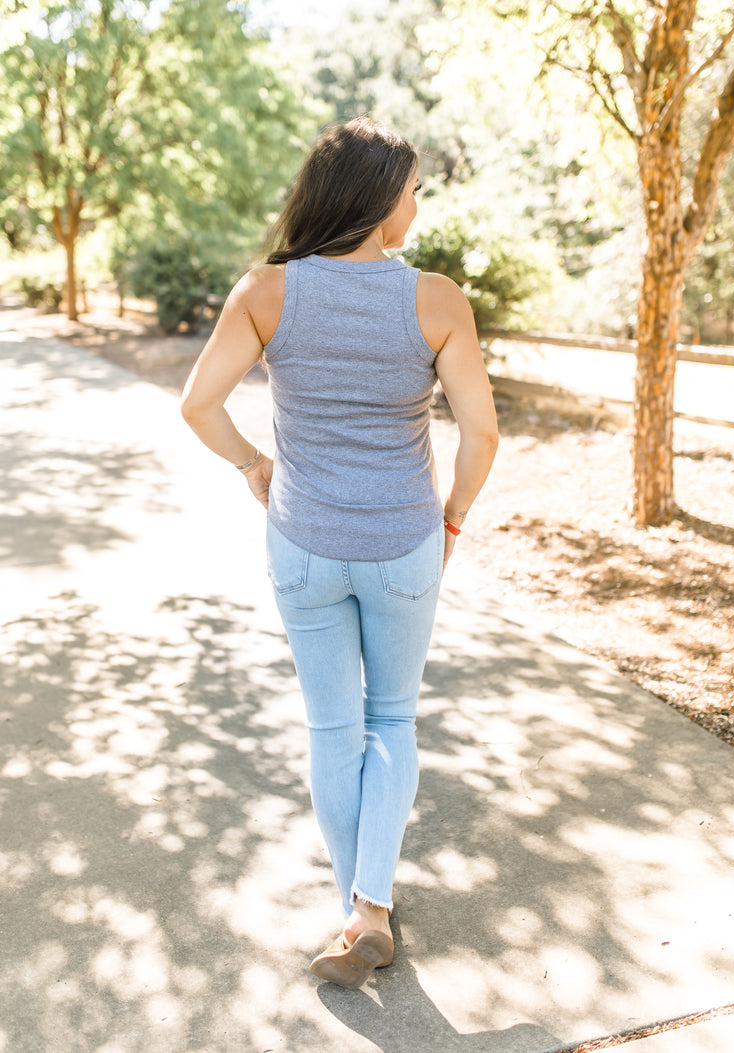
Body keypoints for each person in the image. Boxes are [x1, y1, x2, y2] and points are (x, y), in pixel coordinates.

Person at [180, 116, 499, 989]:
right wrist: (454, 518)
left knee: (332, 726)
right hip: (403, 543)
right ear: (376, 197)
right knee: (391, 717)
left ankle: (354, 909)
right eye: (412, 188)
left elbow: (199, 404)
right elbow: (482, 431)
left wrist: (254, 465)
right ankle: (370, 907)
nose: (417, 202)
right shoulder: (436, 300)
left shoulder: (266, 291)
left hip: (304, 542)